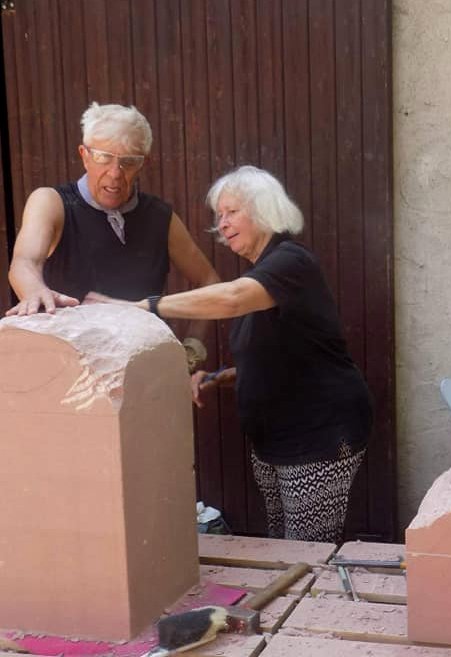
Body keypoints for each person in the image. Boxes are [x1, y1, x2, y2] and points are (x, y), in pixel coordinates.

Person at [90, 165, 373, 543]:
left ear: (263, 209)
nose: (222, 224)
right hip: (275, 439)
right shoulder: (264, 273)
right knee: (281, 545)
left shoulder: (290, 262)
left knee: (307, 551)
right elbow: (278, 355)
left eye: (232, 212)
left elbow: (232, 298)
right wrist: (216, 378)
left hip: (319, 435)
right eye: (219, 215)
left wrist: (144, 306)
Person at [4, 102, 219, 368]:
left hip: (144, 370)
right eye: (103, 157)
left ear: (144, 163)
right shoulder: (51, 202)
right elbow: (24, 263)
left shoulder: (160, 217)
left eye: (128, 162)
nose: (115, 173)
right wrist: (34, 291)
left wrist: (192, 349)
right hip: (69, 370)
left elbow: (210, 282)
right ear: (84, 155)